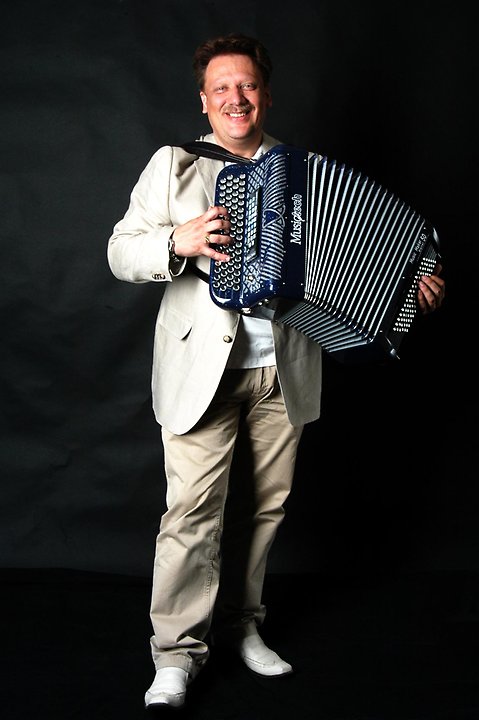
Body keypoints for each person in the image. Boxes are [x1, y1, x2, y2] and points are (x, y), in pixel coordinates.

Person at [107, 32, 445, 710]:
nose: (236, 98)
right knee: (192, 515)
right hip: (202, 371)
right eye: (222, 88)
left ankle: (243, 627)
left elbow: (356, 259)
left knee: (263, 510)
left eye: (248, 85)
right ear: (204, 101)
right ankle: (176, 655)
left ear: (264, 95)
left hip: (282, 371)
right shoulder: (173, 166)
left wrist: (409, 291)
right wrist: (177, 240)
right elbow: (120, 252)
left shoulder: (304, 172)